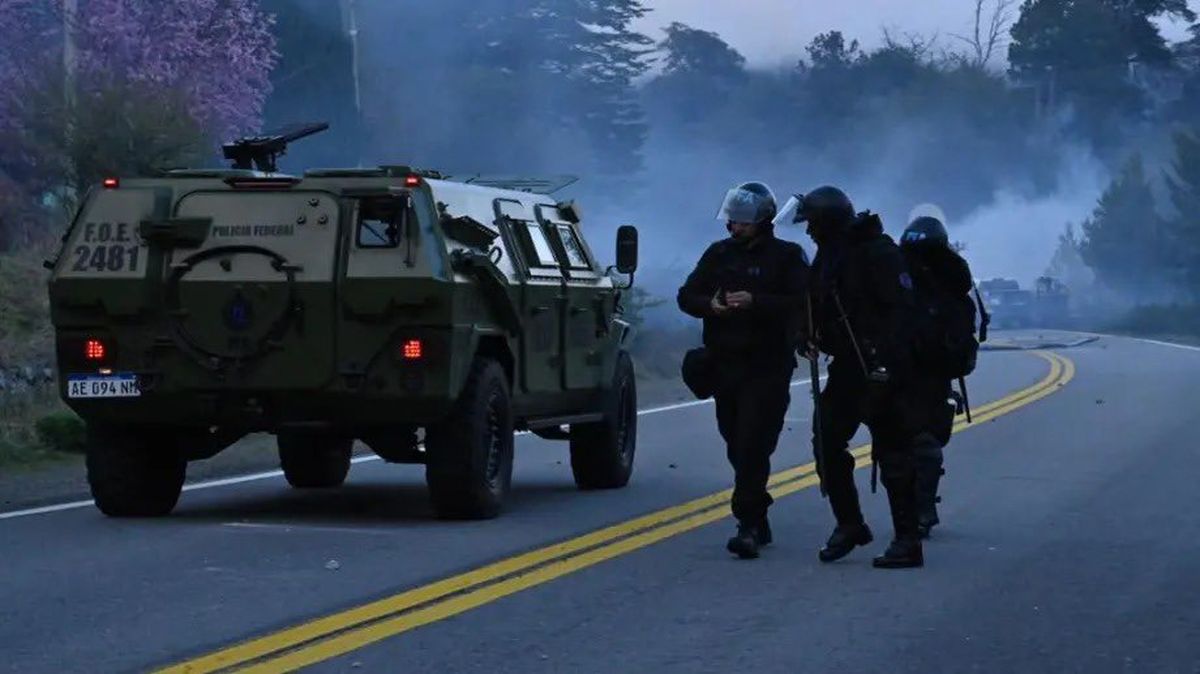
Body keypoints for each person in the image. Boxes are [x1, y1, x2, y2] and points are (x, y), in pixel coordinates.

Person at [676, 181, 810, 559]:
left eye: (743, 223)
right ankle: (757, 507)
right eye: (732, 222)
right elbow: (687, 295)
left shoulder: (787, 257)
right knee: (735, 440)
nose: (735, 229)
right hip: (725, 363)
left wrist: (757, 302)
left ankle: (748, 523)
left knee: (754, 442)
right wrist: (711, 306)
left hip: (768, 364)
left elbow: (804, 300)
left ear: (764, 221)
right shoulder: (719, 255)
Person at [796, 185, 925, 569]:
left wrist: (885, 365)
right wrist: (807, 333)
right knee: (827, 440)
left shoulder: (879, 253)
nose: (808, 232)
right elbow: (817, 302)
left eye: (813, 224)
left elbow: (903, 315)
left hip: (885, 368)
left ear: (828, 222)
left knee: (893, 453)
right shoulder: (830, 255)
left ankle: (907, 540)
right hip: (848, 367)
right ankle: (849, 523)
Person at [899, 215, 980, 538]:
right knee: (917, 440)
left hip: (923, 372)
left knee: (919, 441)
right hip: (923, 372)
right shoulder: (951, 284)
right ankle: (919, 507)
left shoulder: (940, 287)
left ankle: (921, 508)